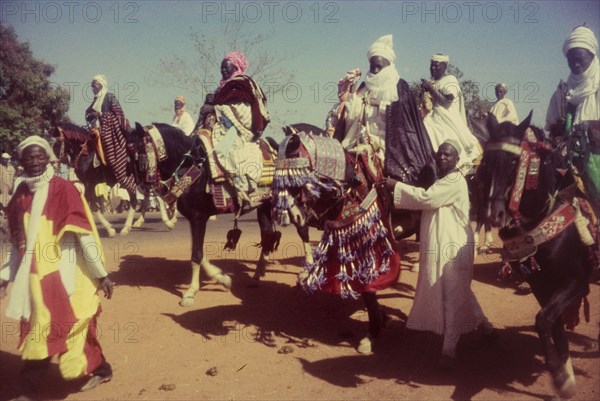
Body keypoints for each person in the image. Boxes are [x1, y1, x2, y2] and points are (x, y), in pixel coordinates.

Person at [0, 136, 114, 399]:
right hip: (35, 276)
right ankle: (101, 368)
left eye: (41, 156)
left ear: (49, 158)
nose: (36, 162)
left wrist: (101, 274)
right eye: (30, 157)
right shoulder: (20, 195)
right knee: (61, 327)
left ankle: (27, 389)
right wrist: (6, 276)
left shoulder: (63, 189)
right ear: (21, 161)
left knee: (49, 326)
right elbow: (19, 242)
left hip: (64, 273)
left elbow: (84, 235)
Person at [381, 139, 495, 368]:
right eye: (440, 154)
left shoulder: (453, 180)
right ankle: (486, 328)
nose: (442, 157)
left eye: (448, 154)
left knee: (453, 294)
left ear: (457, 159)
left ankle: (448, 349)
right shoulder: (444, 180)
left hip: (453, 246)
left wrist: (396, 186)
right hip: (444, 244)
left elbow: (427, 199)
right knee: (459, 289)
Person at [204, 51, 270, 206]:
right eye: (221, 68)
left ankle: (243, 190)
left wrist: (216, 108)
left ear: (236, 66)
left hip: (238, 129)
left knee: (223, 149)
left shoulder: (241, 84)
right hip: (224, 125)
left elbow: (244, 112)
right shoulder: (225, 87)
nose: (223, 70)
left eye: (226, 67)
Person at [546, 25, 599, 212]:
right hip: (567, 160)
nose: (576, 65)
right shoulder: (562, 92)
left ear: (593, 57)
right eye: (571, 60)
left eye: (581, 60)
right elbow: (552, 127)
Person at [335, 34, 400, 162]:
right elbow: (353, 114)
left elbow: (401, 115)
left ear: (388, 66)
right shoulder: (365, 87)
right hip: (358, 139)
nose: (375, 71)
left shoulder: (397, 87)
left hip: (386, 143)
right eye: (372, 66)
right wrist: (351, 88)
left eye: (379, 67)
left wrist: (377, 104)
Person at [421, 54, 481, 173]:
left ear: (444, 66)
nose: (433, 68)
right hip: (431, 116)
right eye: (431, 66)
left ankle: (454, 169)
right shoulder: (432, 81)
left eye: (436, 66)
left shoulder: (450, 80)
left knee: (441, 137)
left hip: (446, 119)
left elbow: (447, 102)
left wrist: (431, 88)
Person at [85, 74, 136, 194]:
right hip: (96, 131)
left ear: (101, 85)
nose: (92, 88)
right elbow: (88, 114)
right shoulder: (95, 100)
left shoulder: (110, 97)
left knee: (113, 156)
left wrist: (101, 115)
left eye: (95, 85)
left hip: (110, 132)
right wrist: (90, 115)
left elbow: (119, 114)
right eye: (91, 86)